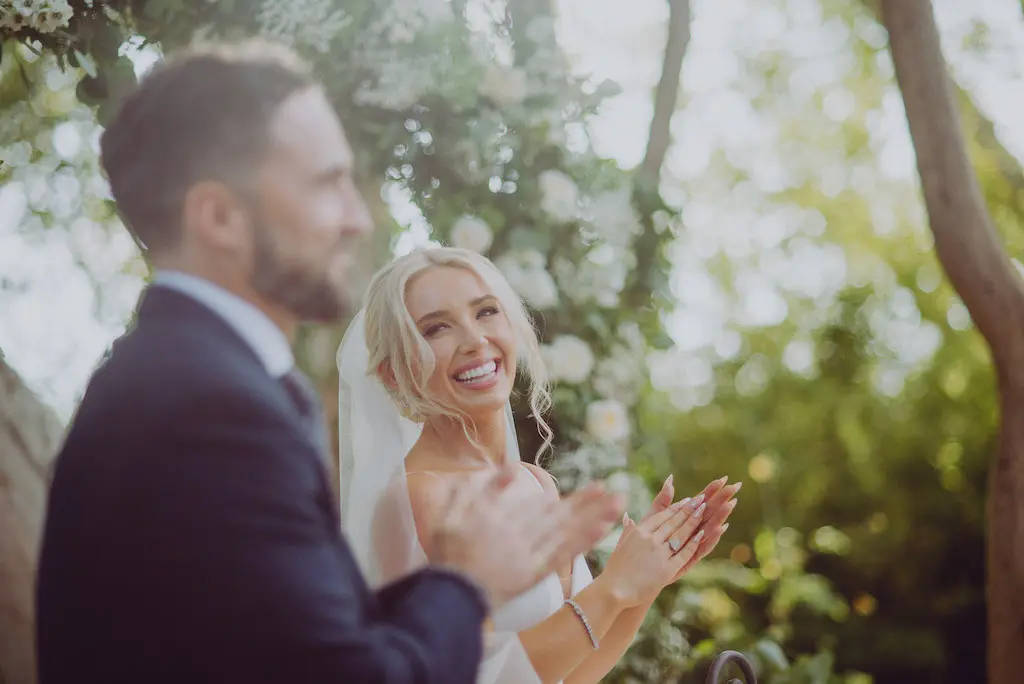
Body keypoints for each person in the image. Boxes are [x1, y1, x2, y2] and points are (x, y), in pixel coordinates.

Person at [34, 40, 626, 684]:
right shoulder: (207, 406)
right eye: (326, 183)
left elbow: (289, 643)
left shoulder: (184, 378)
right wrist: (465, 582)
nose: (352, 218)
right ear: (220, 216)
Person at [337, 247, 742, 683]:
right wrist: (615, 585)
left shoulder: (536, 482)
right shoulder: (418, 496)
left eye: (486, 311)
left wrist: (646, 581)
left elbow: (573, 675)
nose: (475, 340)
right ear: (394, 374)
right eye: (436, 328)